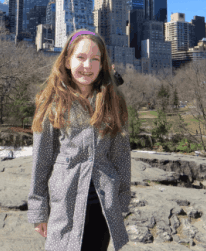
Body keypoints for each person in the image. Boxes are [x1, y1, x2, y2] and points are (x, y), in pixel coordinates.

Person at [28, 30, 131, 251]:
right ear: (66, 60)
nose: (88, 65)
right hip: (65, 202)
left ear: (103, 64)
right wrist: (38, 209)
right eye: (81, 57)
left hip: (103, 207)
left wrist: (122, 200)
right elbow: (42, 160)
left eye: (95, 59)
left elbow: (121, 155)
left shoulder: (112, 100)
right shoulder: (52, 101)